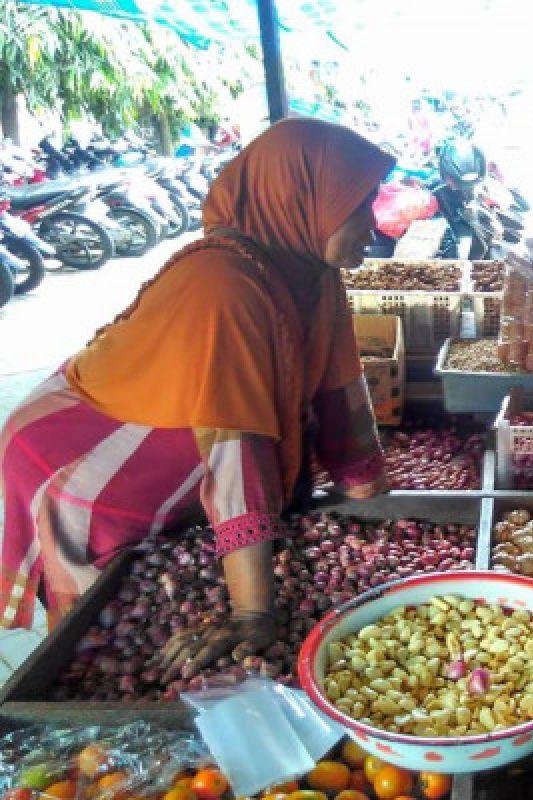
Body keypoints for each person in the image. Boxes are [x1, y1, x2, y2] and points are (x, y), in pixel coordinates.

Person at [0, 117, 395, 681]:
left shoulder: (310, 271)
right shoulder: (225, 287)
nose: (371, 226)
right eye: (356, 207)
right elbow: (239, 449)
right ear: (300, 198)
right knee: (109, 639)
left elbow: (337, 384)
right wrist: (254, 611)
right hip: (84, 459)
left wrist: (366, 495)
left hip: (165, 446)